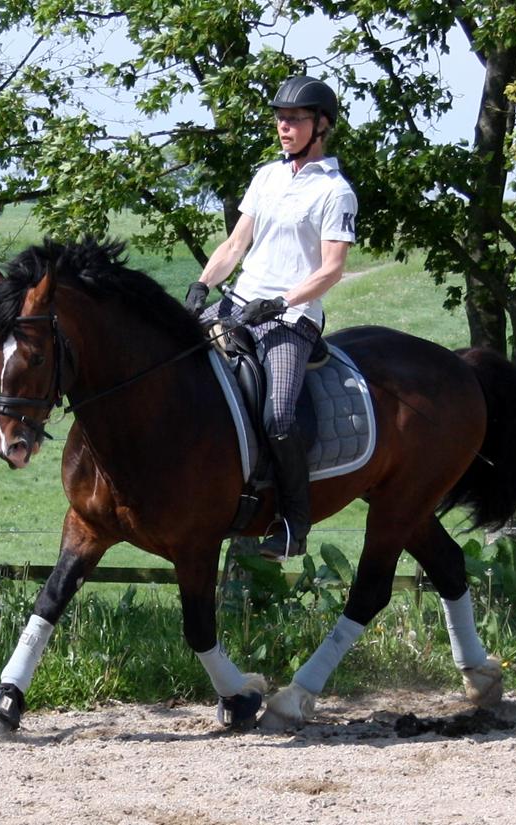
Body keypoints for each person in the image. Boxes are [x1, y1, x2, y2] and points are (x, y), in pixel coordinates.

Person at [183, 75, 358, 562]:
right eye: (281, 118)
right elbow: (236, 245)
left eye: (296, 119)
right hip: (238, 304)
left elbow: (331, 269)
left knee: (279, 415)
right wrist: (202, 285)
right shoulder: (267, 177)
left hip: (290, 318)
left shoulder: (336, 192)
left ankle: (292, 525)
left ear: (321, 125)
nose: (284, 127)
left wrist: (281, 302)